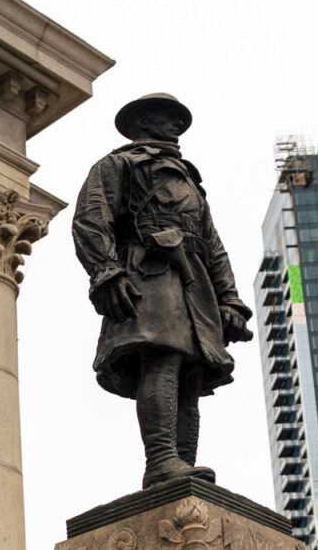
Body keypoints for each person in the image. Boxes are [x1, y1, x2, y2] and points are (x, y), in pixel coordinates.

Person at [71, 92, 254, 488]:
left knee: (191, 371)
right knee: (163, 360)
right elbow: (90, 218)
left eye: (178, 120)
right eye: (167, 118)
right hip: (149, 273)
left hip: (193, 283)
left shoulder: (190, 181)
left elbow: (211, 243)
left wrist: (229, 299)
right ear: (144, 124)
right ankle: (161, 460)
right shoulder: (119, 164)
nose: (176, 126)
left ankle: (182, 465)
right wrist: (106, 272)